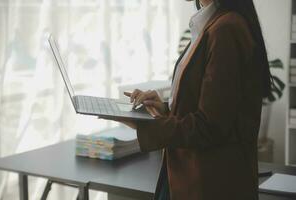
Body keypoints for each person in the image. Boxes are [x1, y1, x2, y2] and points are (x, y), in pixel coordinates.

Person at [101, 0, 273, 199]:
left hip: (209, 185)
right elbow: (212, 107)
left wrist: (143, 125)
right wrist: (166, 109)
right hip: (191, 176)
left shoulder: (226, 29)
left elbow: (209, 127)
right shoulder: (212, 23)